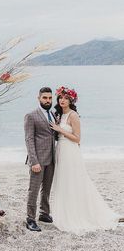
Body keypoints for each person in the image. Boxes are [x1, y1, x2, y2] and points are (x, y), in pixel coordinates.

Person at [49, 86, 119, 235]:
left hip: (70, 149)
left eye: (66, 98)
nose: (62, 100)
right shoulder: (60, 114)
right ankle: (66, 210)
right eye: (60, 97)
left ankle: (80, 213)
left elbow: (77, 138)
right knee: (64, 181)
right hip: (61, 149)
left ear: (71, 100)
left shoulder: (73, 115)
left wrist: (59, 129)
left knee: (73, 180)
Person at [24, 87, 56, 231]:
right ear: (39, 98)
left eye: (50, 98)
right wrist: (34, 161)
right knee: (34, 190)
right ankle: (30, 219)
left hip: (51, 158)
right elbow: (29, 139)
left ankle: (44, 213)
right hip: (38, 160)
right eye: (45, 98)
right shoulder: (31, 115)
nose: (48, 101)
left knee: (47, 189)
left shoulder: (53, 114)